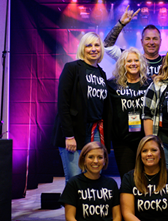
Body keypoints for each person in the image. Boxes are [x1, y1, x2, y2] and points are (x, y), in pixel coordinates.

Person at [53, 32, 112, 183]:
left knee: (93, 176)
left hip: (95, 131)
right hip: (74, 132)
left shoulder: (101, 73)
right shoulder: (72, 68)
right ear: (82, 48)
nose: (93, 49)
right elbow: (63, 103)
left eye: (97, 45)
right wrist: (69, 135)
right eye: (89, 45)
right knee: (74, 179)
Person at [104, 6, 168, 77]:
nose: (151, 42)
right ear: (142, 42)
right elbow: (107, 46)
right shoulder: (133, 60)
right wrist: (121, 24)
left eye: (155, 39)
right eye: (147, 39)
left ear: (160, 41)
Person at [107, 47, 152, 178]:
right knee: (128, 178)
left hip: (145, 140)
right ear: (123, 64)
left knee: (146, 177)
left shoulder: (149, 84)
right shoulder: (112, 85)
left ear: (141, 63)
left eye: (136, 60)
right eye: (129, 61)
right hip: (123, 141)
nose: (133, 63)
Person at [120, 135, 168, 221]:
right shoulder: (129, 178)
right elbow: (127, 213)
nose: (149, 154)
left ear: (161, 154)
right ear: (140, 155)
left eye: (154, 150)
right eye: (144, 151)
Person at [59, 141, 121, 221]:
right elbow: (70, 217)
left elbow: (117, 216)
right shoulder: (74, 183)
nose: (95, 161)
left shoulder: (111, 184)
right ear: (83, 160)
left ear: (105, 160)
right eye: (91, 157)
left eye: (100, 157)